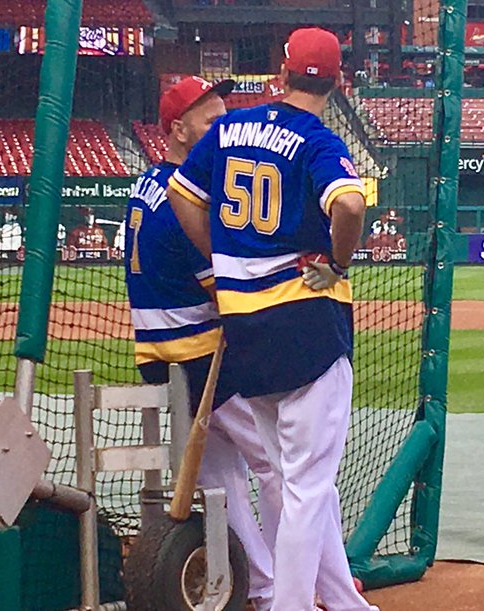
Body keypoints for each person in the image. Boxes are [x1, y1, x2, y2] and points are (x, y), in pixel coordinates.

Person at [168, 27, 374, 611]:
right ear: (336, 83)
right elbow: (351, 203)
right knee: (308, 489)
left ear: (280, 76)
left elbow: (184, 194)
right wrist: (337, 263)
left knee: (289, 479)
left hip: (243, 329)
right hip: (306, 324)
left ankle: (342, 601)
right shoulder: (317, 138)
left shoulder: (229, 126)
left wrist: (220, 256)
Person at [124, 75, 279, 610]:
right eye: (211, 120)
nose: (222, 127)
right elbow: (228, 292)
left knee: (221, 482)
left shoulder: (147, 183)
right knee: (282, 465)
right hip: (197, 355)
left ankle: (263, 585)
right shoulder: (184, 199)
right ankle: (303, 581)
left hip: (162, 352)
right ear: (178, 129)